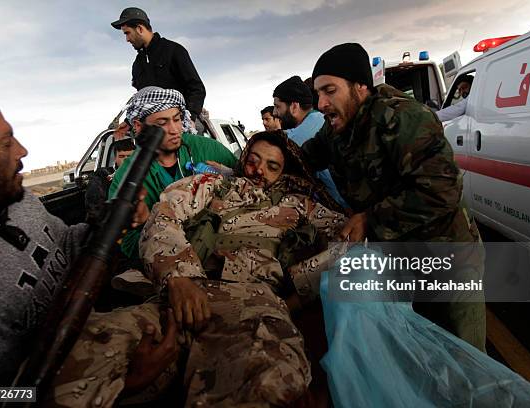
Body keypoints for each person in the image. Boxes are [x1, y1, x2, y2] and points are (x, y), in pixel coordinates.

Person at [50, 131, 347, 406]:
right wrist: (179, 277)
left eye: (272, 166)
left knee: (268, 382)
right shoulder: (208, 185)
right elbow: (163, 215)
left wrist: (296, 293)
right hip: (177, 300)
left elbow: (349, 240)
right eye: (254, 161)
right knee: (79, 351)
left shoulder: (297, 205)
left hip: (252, 305)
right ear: (244, 159)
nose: (260, 172)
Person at [0, 71, 175, 390]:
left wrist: (114, 221)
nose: (22, 152)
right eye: (5, 143)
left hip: (100, 334)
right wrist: (120, 384)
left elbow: (65, 244)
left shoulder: (19, 200)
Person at [301, 43, 486, 351]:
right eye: (318, 93)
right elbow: (305, 158)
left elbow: (441, 190)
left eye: (329, 90)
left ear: (360, 87)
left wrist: (370, 218)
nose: (320, 103)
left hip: (445, 256)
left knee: (463, 354)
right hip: (399, 258)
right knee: (420, 351)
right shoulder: (335, 130)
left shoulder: (403, 118)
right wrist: (258, 162)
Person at [109, 86, 237, 262]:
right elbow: (129, 243)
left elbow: (252, 186)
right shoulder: (126, 178)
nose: (174, 129)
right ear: (139, 126)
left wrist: (229, 175)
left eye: (177, 119)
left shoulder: (209, 149)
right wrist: (151, 222)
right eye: (162, 123)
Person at [111, 7, 206, 127]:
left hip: (181, 124)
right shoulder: (137, 64)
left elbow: (196, 88)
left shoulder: (174, 51)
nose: (127, 39)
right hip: (153, 130)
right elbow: (143, 100)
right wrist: (127, 123)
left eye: (127, 33)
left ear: (140, 29)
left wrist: (190, 118)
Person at [273, 75, 348, 210]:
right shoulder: (318, 119)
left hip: (342, 210)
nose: (275, 113)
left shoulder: (299, 135)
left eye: (278, 106)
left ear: (294, 107)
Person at [84, 137, 135, 223]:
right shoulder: (102, 175)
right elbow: (94, 209)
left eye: (129, 156)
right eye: (122, 156)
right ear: (115, 158)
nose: (126, 160)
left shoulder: (146, 174)